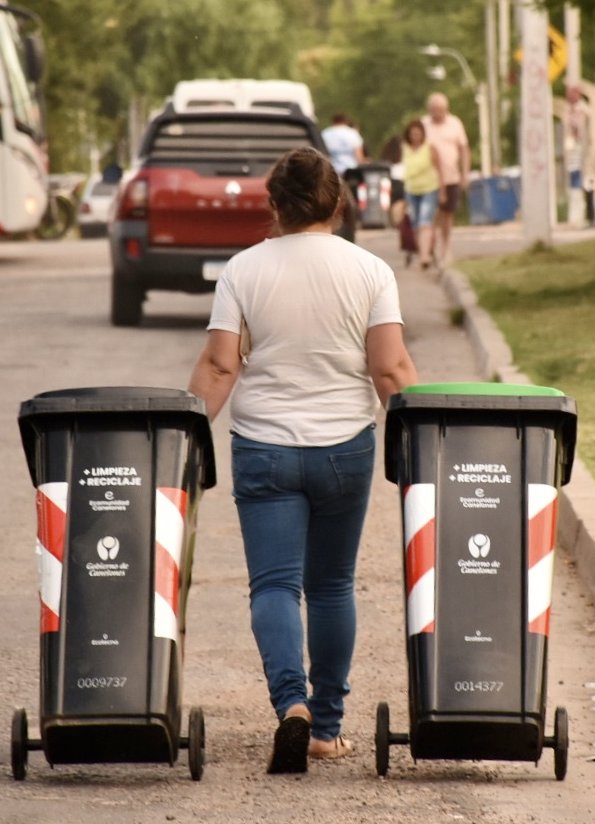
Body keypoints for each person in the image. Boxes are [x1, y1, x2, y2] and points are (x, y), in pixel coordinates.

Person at [187, 147, 419, 775]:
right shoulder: (370, 271)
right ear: (338, 204)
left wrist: (178, 437)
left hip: (263, 447)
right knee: (332, 585)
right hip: (344, 447)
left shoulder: (243, 270)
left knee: (275, 586)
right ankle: (327, 728)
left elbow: (219, 365)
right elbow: (391, 368)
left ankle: (291, 705)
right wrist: (422, 446)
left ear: (274, 205)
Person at [421, 93, 470, 266]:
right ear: (429, 110)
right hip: (429, 179)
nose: (437, 113)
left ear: (446, 109)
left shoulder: (455, 123)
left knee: (448, 215)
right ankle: (429, 247)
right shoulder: (424, 125)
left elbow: (464, 149)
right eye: (434, 110)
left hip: (451, 176)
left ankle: (446, 249)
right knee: (431, 215)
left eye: (440, 110)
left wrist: (465, 173)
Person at [399, 119, 441, 269]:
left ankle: (425, 257)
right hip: (411, 190)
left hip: (429, 188)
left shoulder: (430, 147)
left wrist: (442, 191)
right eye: (412, 134)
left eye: (418, 134)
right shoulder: (405, 148)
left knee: (425, 222)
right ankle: (422, 251)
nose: (415, 137)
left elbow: (438, 168)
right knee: (416, 224)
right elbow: (406, 171)